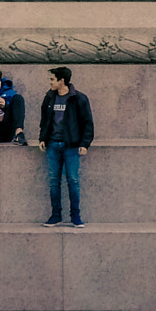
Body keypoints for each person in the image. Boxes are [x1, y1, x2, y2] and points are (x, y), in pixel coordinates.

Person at [37, 66, 93, 227]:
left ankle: (75, 216)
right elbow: (44, 120)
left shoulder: (79, 98)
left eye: (52, 79)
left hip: (71, 145)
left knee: (73, 180)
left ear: (62, 81)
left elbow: (87, 123)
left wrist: (84, 143)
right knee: (54, 181)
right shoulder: (49, 97)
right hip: (53, 144)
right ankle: (56, 215)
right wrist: (43, 138)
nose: (50, 82)